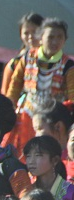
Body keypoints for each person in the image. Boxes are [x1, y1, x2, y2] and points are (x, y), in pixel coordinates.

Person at [6, 18, 74, 161]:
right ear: (41, 38)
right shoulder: (27, 57)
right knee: (25, 149)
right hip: (28, 111)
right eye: (50, 37)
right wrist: (8, 105)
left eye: (59, 37)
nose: (55, 42)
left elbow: (72, 96)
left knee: (49, 151)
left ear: (65, 40)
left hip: (53, 117)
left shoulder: (68, 65)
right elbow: (15, 84)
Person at [24, 135, 74, 200]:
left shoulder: (70, 192)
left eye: (38, 155)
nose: (31, 161)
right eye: (28, 156)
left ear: (55, 160)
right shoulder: (28, 191)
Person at [1, 13, 44, 96]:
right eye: (26, 33)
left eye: (35, 31)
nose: (31, 36)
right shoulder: (15, 63)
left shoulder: (58, 61)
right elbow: (4, 94)